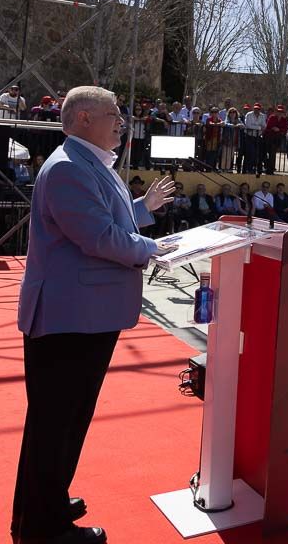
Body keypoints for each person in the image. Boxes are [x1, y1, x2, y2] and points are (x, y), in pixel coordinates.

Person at [12, 86, 176, 544]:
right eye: (114, 114)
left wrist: (145, 210)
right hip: (70, 318)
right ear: (84, 118)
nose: (122, 122)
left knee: (62, 421)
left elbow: (108, 222)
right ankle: (44, 530)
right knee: (56, 424)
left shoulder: (89, 164)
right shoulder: (69, 168)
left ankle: (43, 504)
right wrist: (157, 249)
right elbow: (98, 236)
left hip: (84, 315)